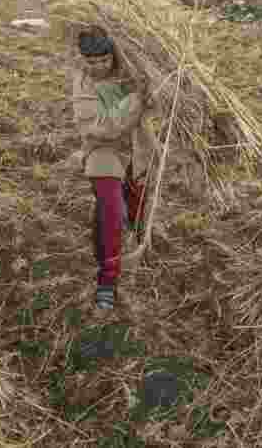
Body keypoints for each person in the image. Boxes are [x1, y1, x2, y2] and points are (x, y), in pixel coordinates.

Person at [69, 26, 156, 312]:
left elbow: (153, 97)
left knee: (134, 202)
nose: (98, 67)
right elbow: (103, 127)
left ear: (112, 55)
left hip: (136, 146)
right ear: (82, 59)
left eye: (103, 61)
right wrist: (136, 99)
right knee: (111, 210)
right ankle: (107, 279)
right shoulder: (82, 85)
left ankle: (129, 238)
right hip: (102, 149)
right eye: (91, 62)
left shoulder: (129, 68)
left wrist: (153, 94)